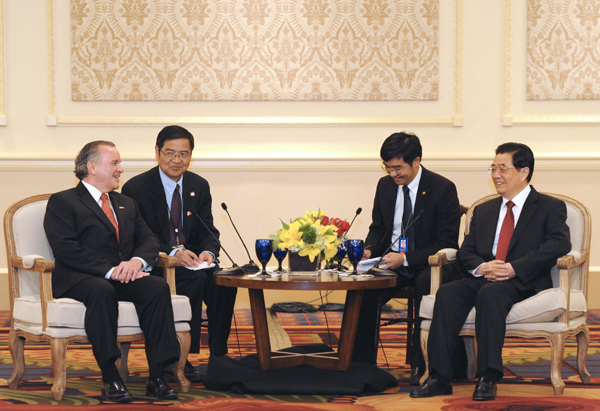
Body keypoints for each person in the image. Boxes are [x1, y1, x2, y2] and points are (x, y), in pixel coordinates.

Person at [410, 142, 571, 401]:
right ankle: (439, 376)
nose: (496, 175)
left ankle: (487, 376)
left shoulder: (549, 207)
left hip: (520, 280)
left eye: (503, 169)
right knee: (448, 293)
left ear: (524, 172)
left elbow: (559, 244)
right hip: (484, 275)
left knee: (491, 295)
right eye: (493, 168)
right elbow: (465, 251)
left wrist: (513, 268)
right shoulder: (484, 210)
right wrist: (482, 266)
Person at [44, 141, 181, 402]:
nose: (121, 169)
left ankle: (158, 376)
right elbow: (66, 248)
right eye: (115, 163)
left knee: (156, 287)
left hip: (122, 276)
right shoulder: (63, 201)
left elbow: (149, 239)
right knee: (101, 289)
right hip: (80, 278)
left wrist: (137, 262)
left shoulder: (126, 203)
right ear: (92, 167)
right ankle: (111, 377)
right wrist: (110, 271)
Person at [122, 125, 237, 381]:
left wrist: (208, 251)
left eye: (183, 154)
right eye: (170, 153)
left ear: (191, 155)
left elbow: (208, 228)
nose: (177, 160)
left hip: (194, 262)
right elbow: (138, 237)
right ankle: (179, 358)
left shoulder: (198, 185)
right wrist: (173, 252)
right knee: (193, 279)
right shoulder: (136, 188)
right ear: (157, 152)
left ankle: (218, 355)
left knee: (225, 282)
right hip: (158, 263)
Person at [352, 132, 463, 385]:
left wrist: (405, 258)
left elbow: (446, 243)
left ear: (416, 160)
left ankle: (419, 363)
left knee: (426, 285)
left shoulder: (442, 188)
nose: (393, 174)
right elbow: (379, 228)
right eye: (388, 168)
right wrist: (368, 250)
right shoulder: (385, 186)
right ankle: (360, 363)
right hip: (389, 261)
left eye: (398, 168)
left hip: (427, 263)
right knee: (361, 287)